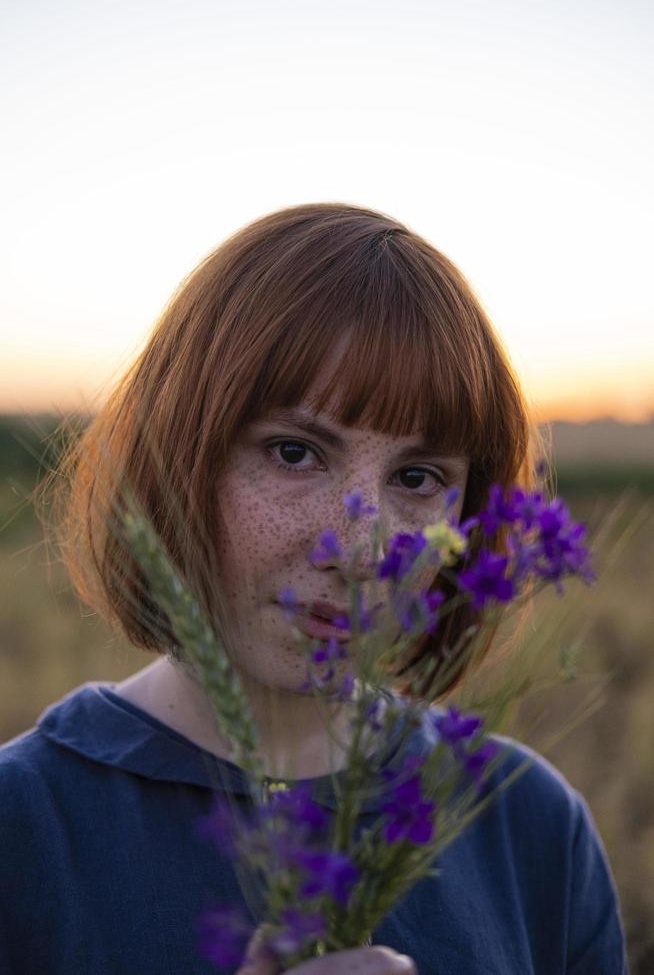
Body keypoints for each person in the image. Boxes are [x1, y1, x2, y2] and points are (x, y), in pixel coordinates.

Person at [0, 203, 627, 974]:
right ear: (178, 456)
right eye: (295, 452)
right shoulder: (25, 828)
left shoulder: (528, 827)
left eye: (419, 477)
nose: (363, 551)